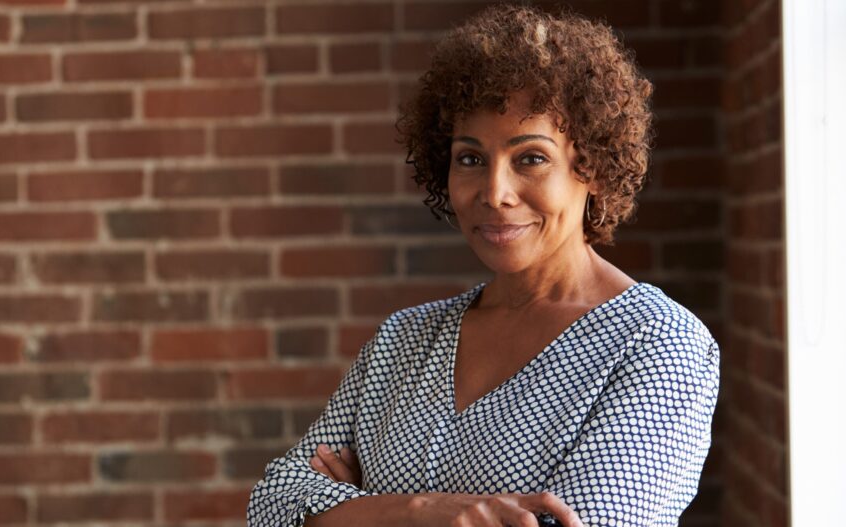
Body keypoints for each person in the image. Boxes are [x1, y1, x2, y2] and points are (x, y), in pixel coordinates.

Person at [247, 3, 720, 526]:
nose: (494, 193)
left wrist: (353, 512)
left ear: (594, 169)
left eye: (531, 158)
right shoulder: (403, 340)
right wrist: (417, 511)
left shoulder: (657, 344)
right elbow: (272, 505)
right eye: (470, 159)